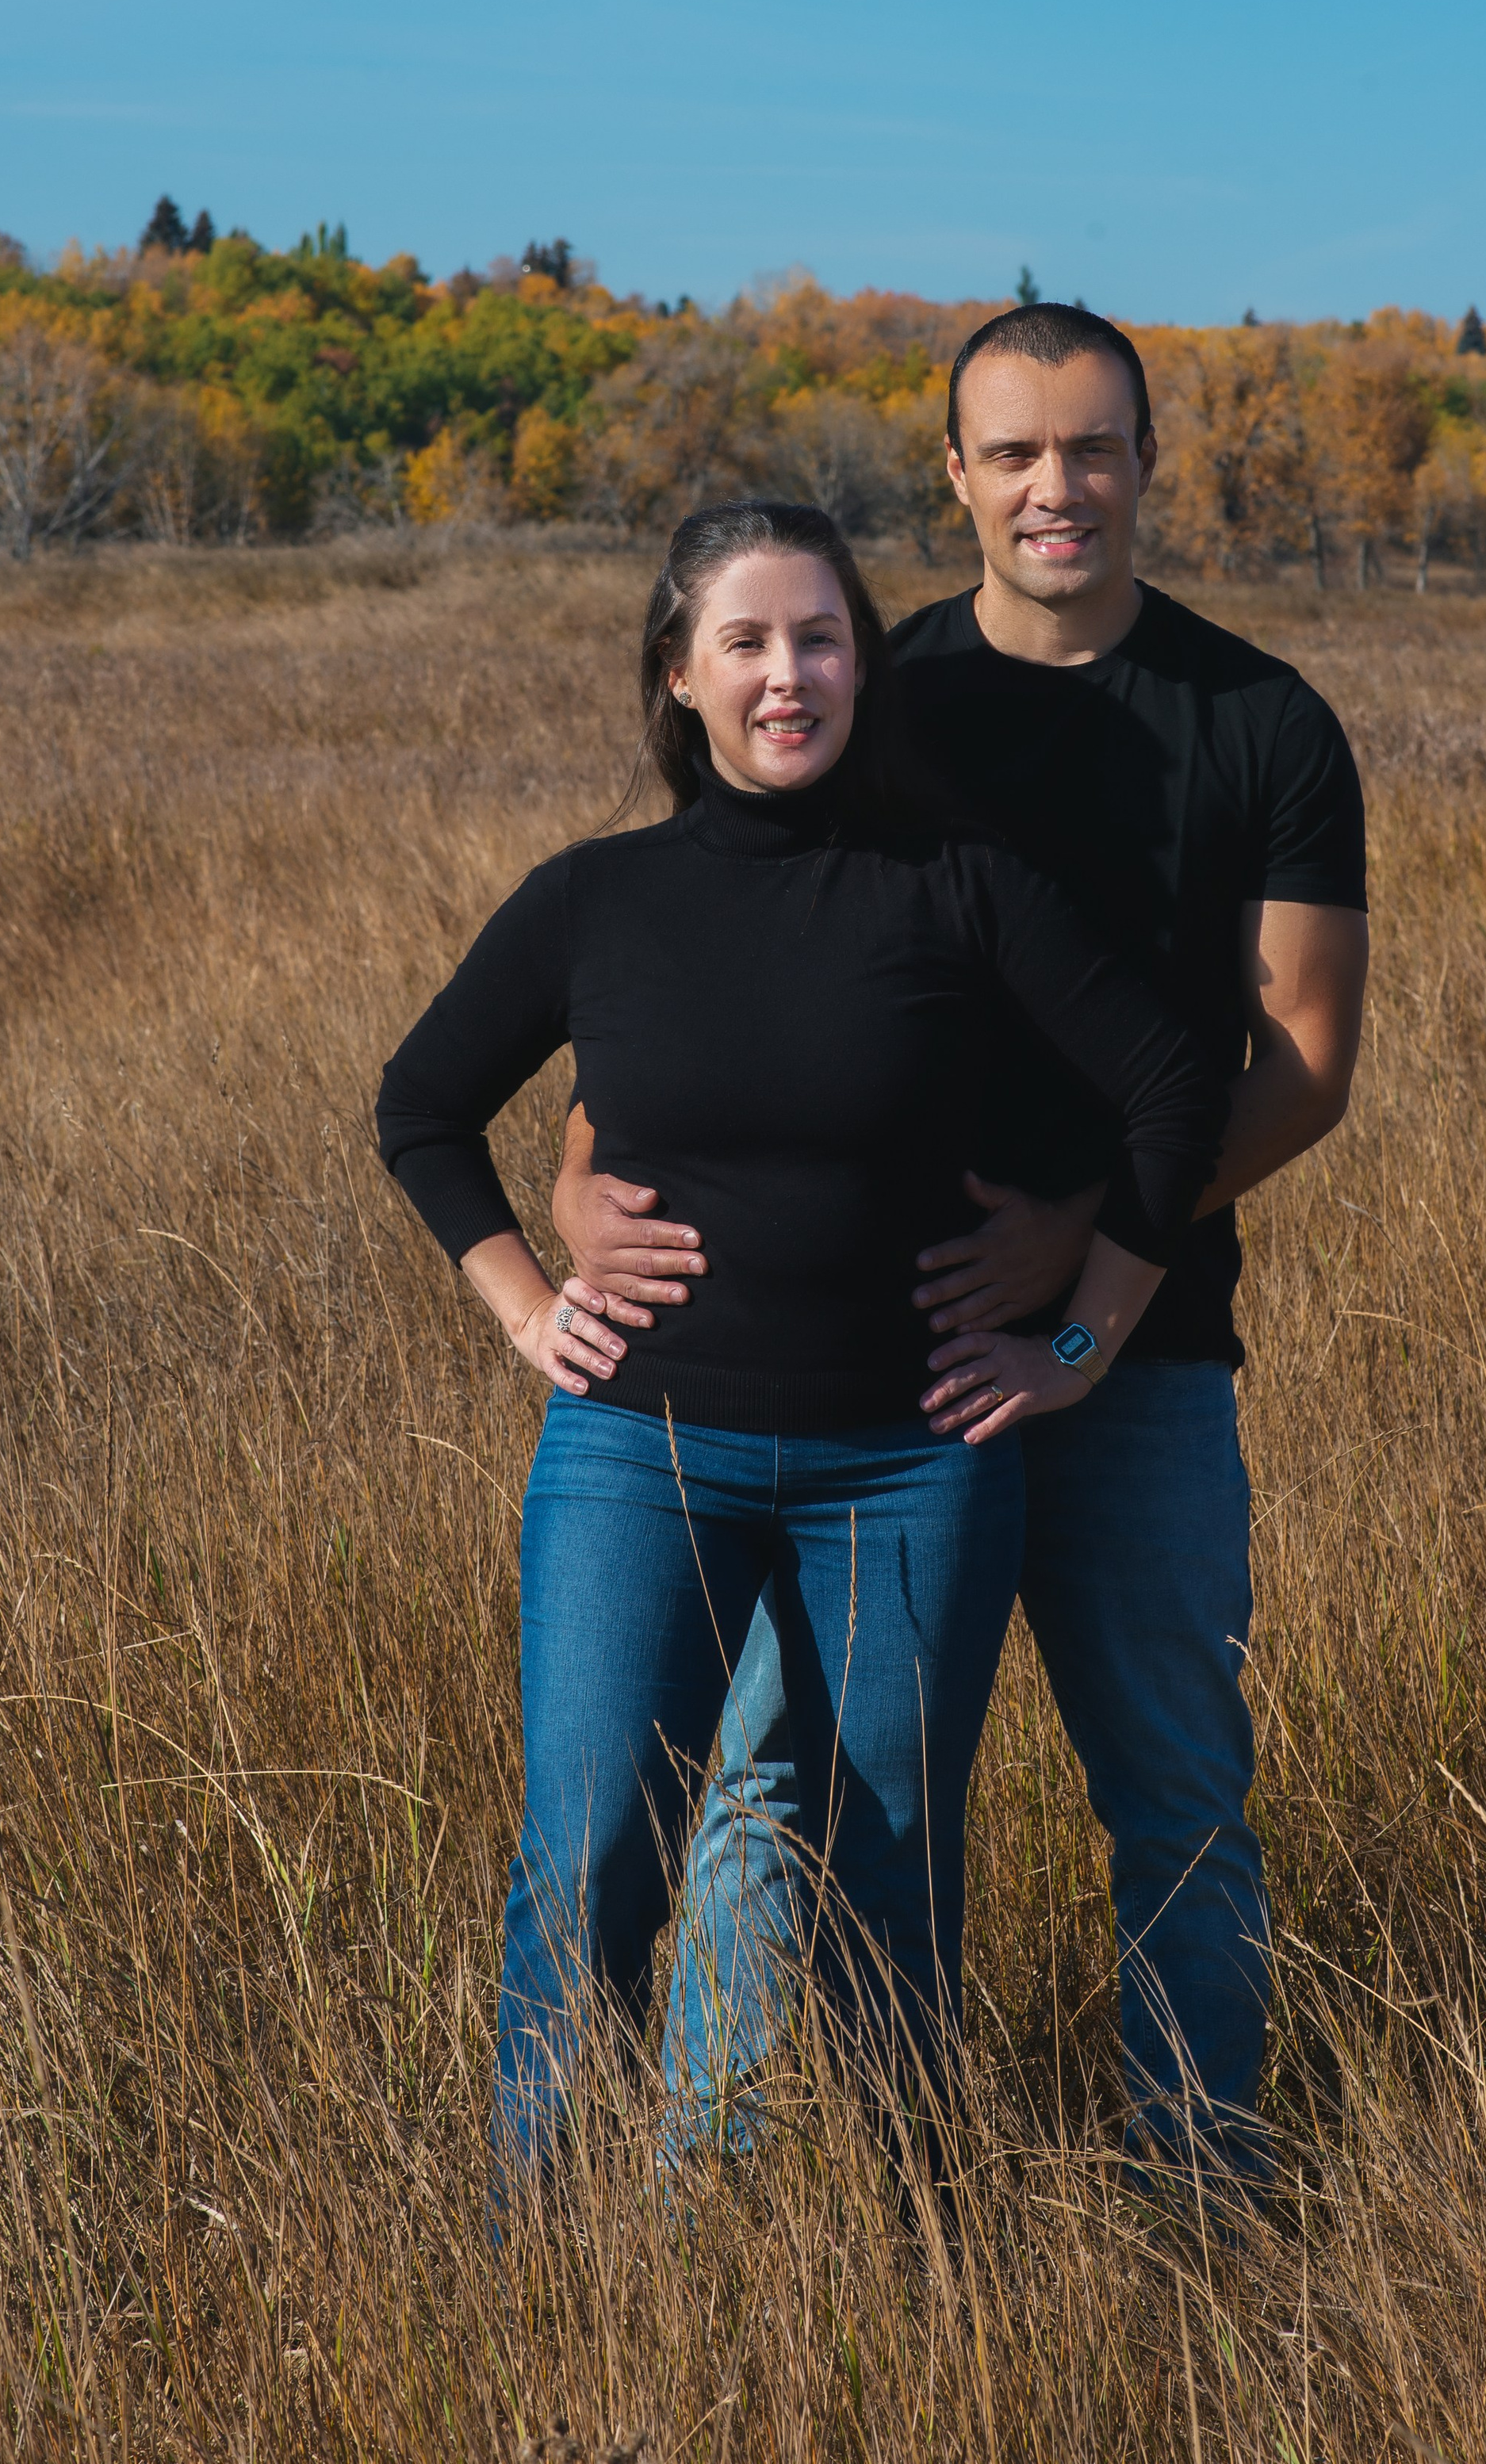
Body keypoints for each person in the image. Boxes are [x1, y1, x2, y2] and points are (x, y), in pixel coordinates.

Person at [553, 305, 1369, 2179]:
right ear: (954, 478)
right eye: (1010, 453)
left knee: (1170, 1791)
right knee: (776, 1783)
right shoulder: (870, 690)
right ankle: (723, 2199)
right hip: (855, 1378)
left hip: (1139, 1360)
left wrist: (1078, 1271)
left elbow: (1301, 1063)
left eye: (1089, 449)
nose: (1052, 487)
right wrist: (584, 1173)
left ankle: (1194, 2193)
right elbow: (695, 951)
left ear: (1146, 461)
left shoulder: (1258, 723)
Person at [375, 497, 1224, 2171]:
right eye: (746, 643)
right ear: (677, 675)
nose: (788, 677)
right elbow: (420, 1108)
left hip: (909, 1471)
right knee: (597, 1850)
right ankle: (538, 2268)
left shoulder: (956, 886)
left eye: (820, 638)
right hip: (640, 1454)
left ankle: (908, 2249)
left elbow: (1173, 1090)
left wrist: (1078, 1343)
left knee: (891, 1868)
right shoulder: (594, 901)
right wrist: (527, 1310)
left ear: (862, 666)